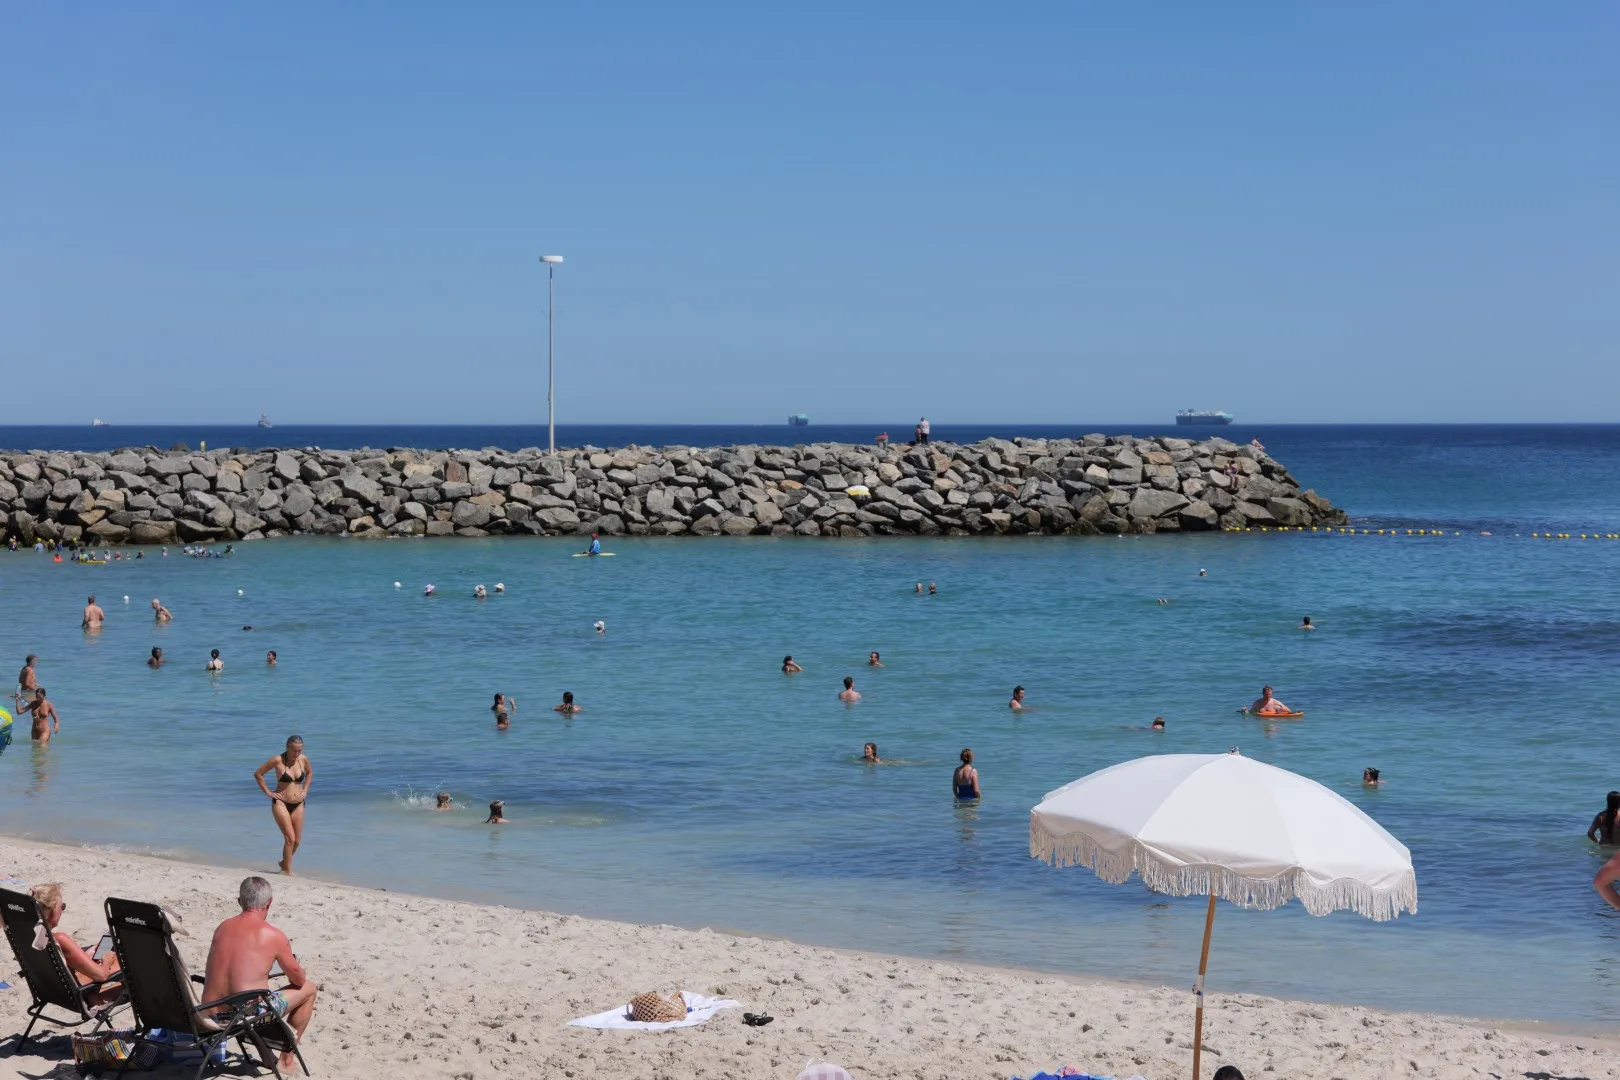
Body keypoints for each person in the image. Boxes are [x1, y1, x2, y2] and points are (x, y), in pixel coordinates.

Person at [202, 877, 318, 1074]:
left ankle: (266, 1056)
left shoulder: (221, 927)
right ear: (269, 902)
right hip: (242, 1015)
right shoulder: (273, 935)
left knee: (253, 991)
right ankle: (286, 1060)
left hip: (210, 1013)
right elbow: (298, 980)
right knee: (309, 988)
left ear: (240, 901)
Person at [29, 883, 122, 1007]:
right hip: (81, 998)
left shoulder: (29, 937)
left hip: (51, 993)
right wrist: (106, 956)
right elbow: (102, 976)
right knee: (125, 967)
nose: (62, 910)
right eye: (62, 906)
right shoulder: (60, 939)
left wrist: (85, 955)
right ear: (52, 910)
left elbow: (63, 963)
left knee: (98, 957)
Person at [254, 736, 311, 875]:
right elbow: (258, 774)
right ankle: (287, 871)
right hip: (281, 803)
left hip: (298, 804)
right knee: (289, 839)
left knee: (297, 840)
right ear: (287, 747)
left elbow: (309, 773)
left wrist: (305, 790)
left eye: (299, 751)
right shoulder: (277, 760)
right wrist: (268, 792)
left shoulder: (303, 759)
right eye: (294, 751)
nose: (296, 754)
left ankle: (284, 862)